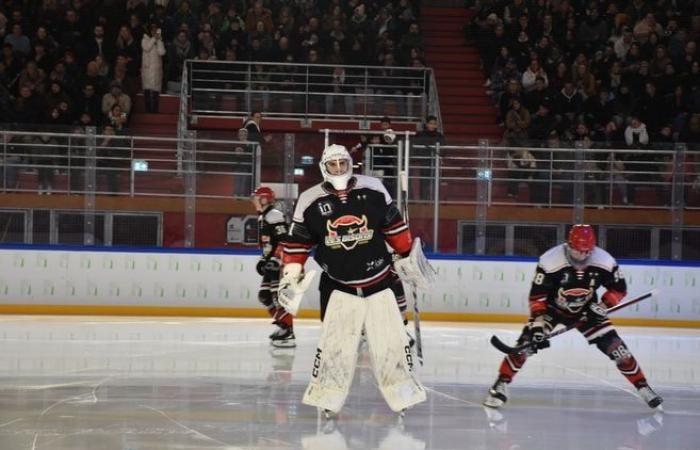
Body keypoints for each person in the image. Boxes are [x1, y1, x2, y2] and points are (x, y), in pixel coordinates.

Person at [278, 144, 429, 419]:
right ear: (324, 167)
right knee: (334, 347)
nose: (338, 169)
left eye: (342, 163)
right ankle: (327, 396)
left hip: (380, 282)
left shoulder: (374, 189)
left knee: (391, 343)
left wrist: (407, 256)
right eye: (333, 165)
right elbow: (297, 244)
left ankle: (402, 393)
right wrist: (291, 274)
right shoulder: (309, 200)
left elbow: (395, 229)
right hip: (338, 286)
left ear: (350, 164)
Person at [483, 225, 663, 409]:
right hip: (551, 311)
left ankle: (643, 387)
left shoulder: (605, 261)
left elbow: (619, 289)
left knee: (619, 351)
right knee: (525, 346)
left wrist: (602, 307)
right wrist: (538, 325)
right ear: (569, 245)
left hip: (588, 312)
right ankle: (501, 384)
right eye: (578, 251)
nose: (582, 256)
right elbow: (538, 297)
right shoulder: (550, 261)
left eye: (587, 252)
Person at [252, 186, 294, 348]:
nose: (254, 202)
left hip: (281, 262)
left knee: (278, 298)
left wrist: (276, 260)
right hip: (272, 262)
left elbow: (284, 240)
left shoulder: (274, 215)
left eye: (257, 198)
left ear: (264, 199)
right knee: (265, 296)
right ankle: (283, 326)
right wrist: (263, 259)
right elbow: (269, 243)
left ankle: (288, 331)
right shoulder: (263, 217)